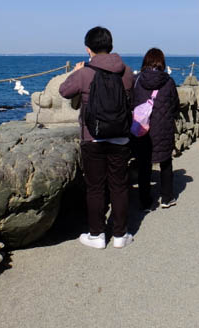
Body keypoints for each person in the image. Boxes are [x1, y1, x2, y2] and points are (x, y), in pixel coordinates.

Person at [59, 26, 135, 249]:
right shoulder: (127, 72)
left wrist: (76, 71)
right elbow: (132, 98)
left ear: (88, 48)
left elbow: (64, 91)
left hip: (92, 137)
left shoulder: (84, 73)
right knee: (119, 186)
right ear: (110, 46)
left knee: (95, 187)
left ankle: (97, 235)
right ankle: (121, 235)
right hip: (121, 136)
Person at [131, 47, 180, 210]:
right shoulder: (169, 81)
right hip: (164, 129)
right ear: (162, 63)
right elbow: (175, 106)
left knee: (144, 166)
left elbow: (131, 102)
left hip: (142, 129)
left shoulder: (137, 80)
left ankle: (145, 202)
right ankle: (167, 198)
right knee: (166, 163)